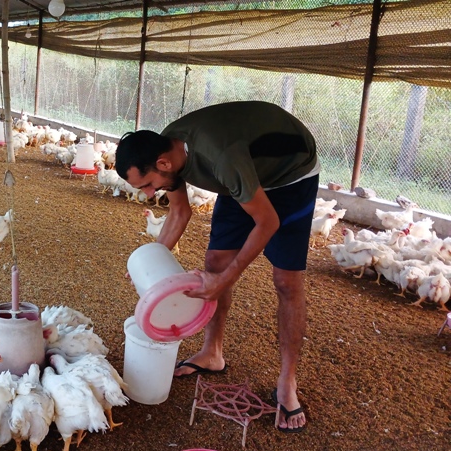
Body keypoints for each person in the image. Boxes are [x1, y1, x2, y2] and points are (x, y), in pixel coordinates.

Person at [115, 101, 320, 433]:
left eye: (148, 184)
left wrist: (225, 279)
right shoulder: (167, 151)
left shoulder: (219, 159)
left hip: (289, 174)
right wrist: (150, 261)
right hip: (245, 173)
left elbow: (267, 222)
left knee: (286, 281)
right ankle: (212, 353)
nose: (150, 194)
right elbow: (180, 212)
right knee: (214, 262)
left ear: (163, 163)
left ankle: (287, 382)